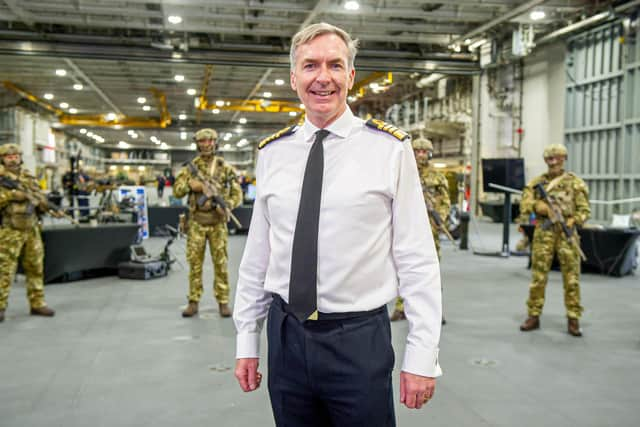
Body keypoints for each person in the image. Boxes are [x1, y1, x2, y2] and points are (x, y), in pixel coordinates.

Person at [233, 23, 442, 426]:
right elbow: (258, 256)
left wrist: (422, 355)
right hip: (286, 337)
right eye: (310, 66)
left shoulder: (389, 149)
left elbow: (417, 258)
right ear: (294, 78)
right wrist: (247, 340)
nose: (322, 77)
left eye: (335, 65)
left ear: (350, 76)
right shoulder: (273, 154)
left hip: (358, 339)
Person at [518, 144, 590, 337]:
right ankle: (533, 315)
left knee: (571, 278)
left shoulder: (575, 183)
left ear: (564, 159)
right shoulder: (537, 183)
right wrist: (541, 207)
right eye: (550, 159)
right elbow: (524, 204)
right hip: (544, 233)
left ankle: (573, 318)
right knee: (538, 277)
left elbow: (585, 211)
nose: (553, 162)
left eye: (557, 158)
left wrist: (572, 220)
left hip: (567, 234)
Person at [173, 128, 242, 318]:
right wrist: (191, 185)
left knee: (221, 263)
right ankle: (193, 302)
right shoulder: (190, 168)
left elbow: (237, 193)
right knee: (195, 263)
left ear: (214, 142)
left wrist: (227, 205)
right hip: (196, 222)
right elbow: (177, 191)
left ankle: (223, 302)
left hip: (218, 223)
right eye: (202, 141)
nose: (206, 144)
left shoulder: (224, 167)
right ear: (198, 144)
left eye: (209, 141)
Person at [390, 137, 450, 324]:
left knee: (431, 271)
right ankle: (401, 308)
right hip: (406, 228)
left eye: (424, 152)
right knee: (403, 268)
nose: (421, 155)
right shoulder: (403, 173)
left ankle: (434, 310)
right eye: (417, 151)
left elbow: (445, 201)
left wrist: (439, 220)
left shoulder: (437, 177)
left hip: (430, 229)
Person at [0, 143, 55, 322]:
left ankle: (37, 303)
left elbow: (38, 195)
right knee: (4, 270)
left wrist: (43, 203)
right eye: (9, 157)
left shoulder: (28, 176)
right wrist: (12, 196)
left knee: (36, 267)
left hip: (31, 228)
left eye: (16, 156)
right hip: (9, 230)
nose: (13, 159)